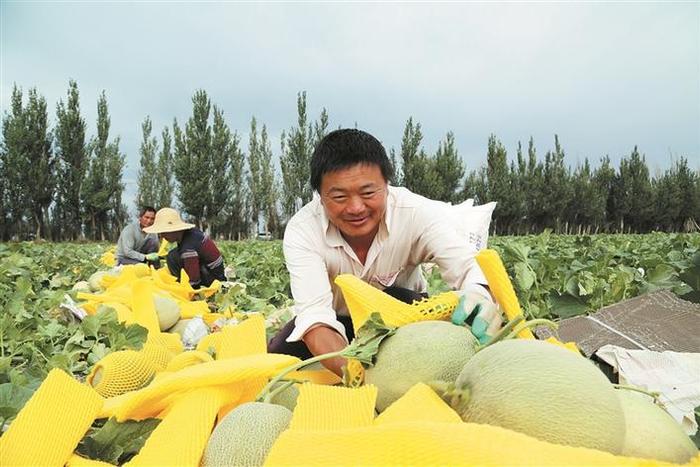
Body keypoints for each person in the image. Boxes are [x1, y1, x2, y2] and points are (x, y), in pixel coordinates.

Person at [268, 128, 502, 376]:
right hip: (337, 323)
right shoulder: (304, 230)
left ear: (387, 185)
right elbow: (315, 317)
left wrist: (480, 293)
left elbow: (467, 266)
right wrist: (359, 376)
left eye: (368, 193)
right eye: (339, 196)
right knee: (279, 357)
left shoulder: (415, 213)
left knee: (398, 298)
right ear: (320, 196)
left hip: (405, 316)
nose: (356, 207)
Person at [143, 207, 225, 288]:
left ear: (174, 230)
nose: (162, 236)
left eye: (164, 232)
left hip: (213, 277)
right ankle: (182, 281)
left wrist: (191, 289)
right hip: (210, 269)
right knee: (172, 255)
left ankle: (185, 284)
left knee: (174, 257)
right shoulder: (189, 233)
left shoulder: (188, 247)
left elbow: (194, 278)